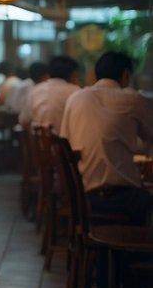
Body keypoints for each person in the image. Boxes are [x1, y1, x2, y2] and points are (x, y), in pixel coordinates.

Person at [61, 52, 153, 225]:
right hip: (120, 198)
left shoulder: (76, 98)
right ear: (126, 75)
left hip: (80, 197)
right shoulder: (132, 99)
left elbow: (66, 143)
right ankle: (133, 242)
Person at [20, 57, 77, 134]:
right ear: (72, 75)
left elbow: (23, 121)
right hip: (66, 141)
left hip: (38, 140)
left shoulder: (35, 91)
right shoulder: (76, 92)